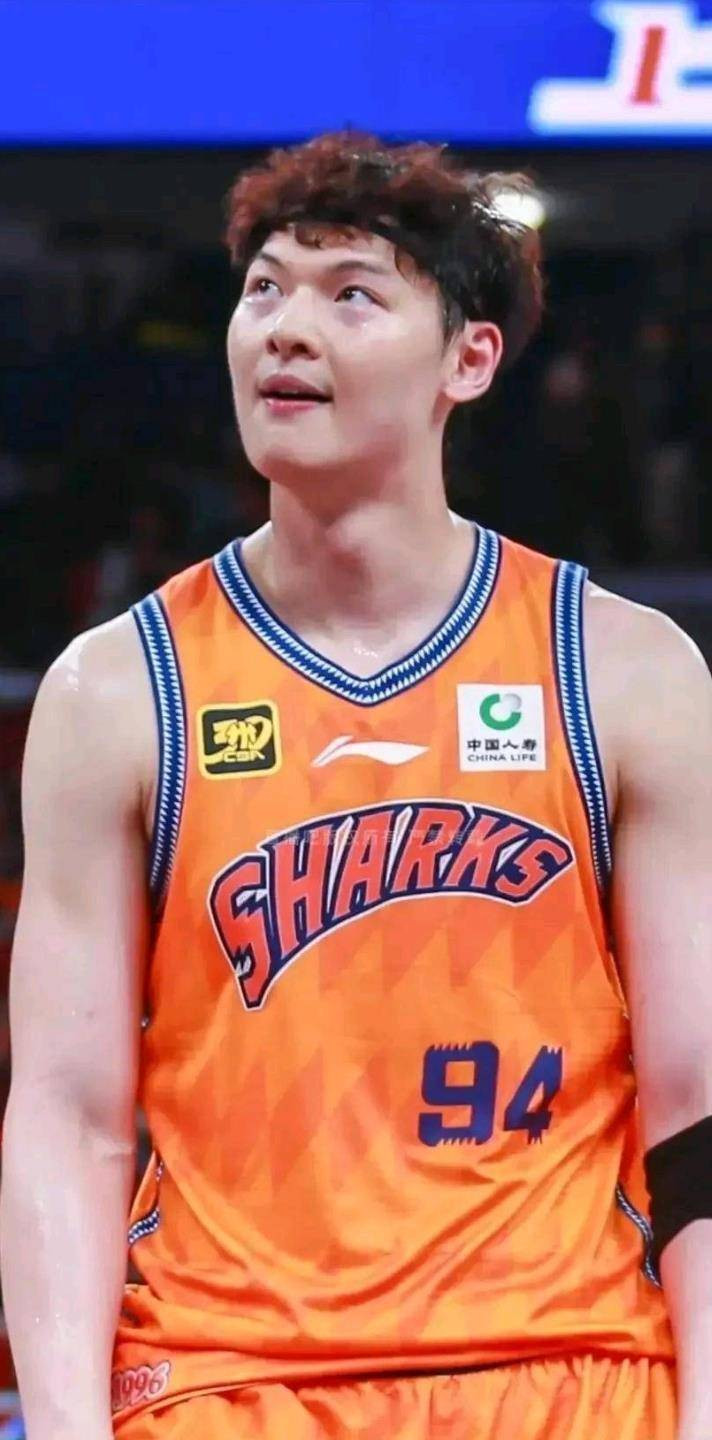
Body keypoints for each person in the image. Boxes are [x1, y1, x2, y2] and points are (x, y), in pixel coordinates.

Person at [2, 131, 711, 1440]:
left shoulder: (623, 672)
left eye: (351, 294)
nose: (286, 328)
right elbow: (66, 1117)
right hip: (229, 1386)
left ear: (468, 361)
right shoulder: (118, 691)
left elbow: (697, 1105)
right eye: (264, 288)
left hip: (568, 1377)